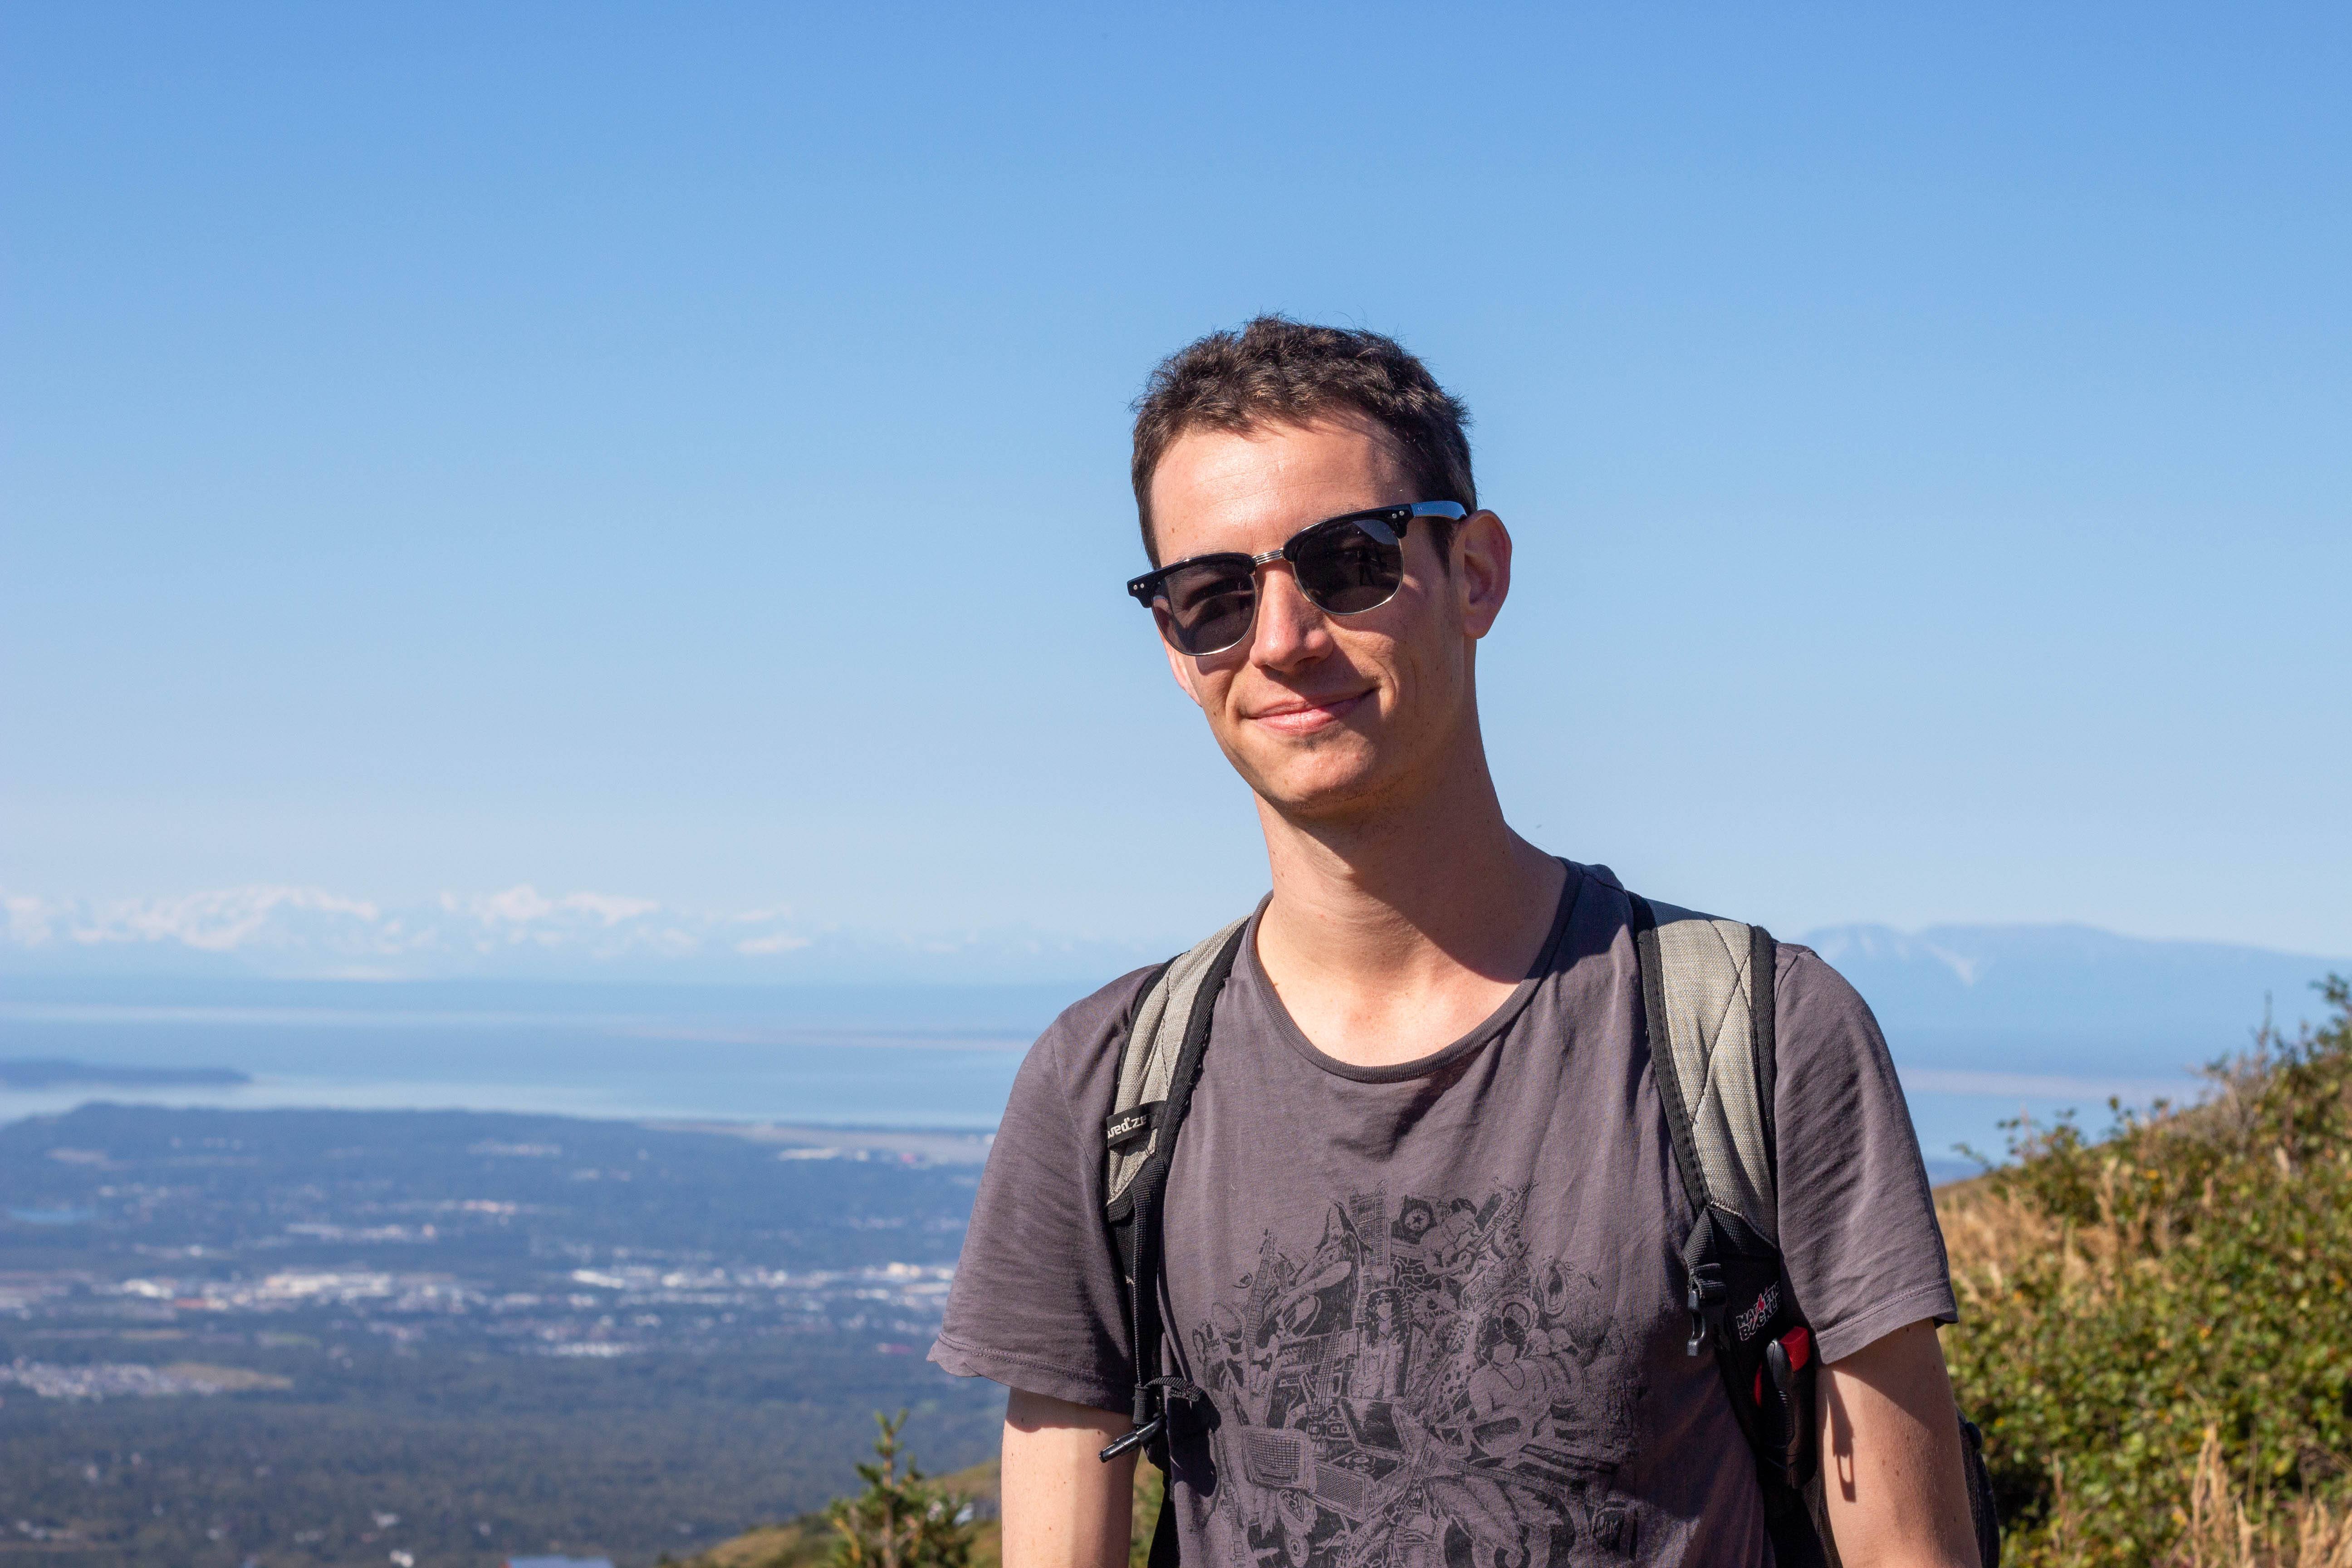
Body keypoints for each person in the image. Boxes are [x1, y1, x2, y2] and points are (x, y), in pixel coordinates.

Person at [930, 318, 1982, 1567]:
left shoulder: (1761, 1039)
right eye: (1213, 595)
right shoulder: (1102, 1087)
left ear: (1477, 571)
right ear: (1172, 643)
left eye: (1350, 562)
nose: (1281, 640)